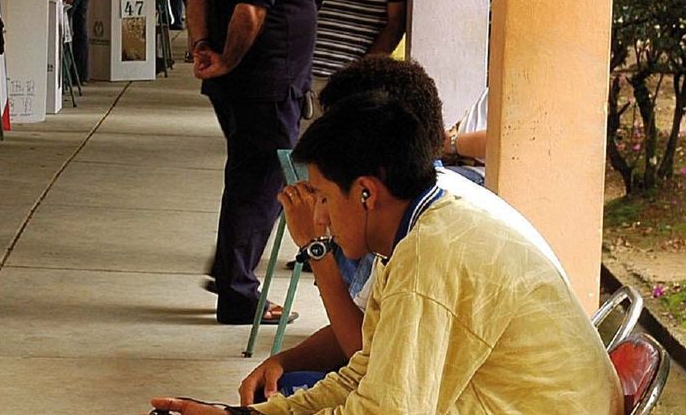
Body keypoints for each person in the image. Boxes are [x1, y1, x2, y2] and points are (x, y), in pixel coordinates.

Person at [151, 93, 623, 415]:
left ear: (365, 193)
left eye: (321, 197)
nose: (317, 218)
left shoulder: (433, 254)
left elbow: (387, 409)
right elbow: (366, 370)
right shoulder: (421, 228)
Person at [243, 56, 568, 401]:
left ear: (367, 185)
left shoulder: (426, 245)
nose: (320, 215)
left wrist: (316, 246)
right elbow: (372, 349)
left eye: (323, 197)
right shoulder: (417, 210)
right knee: (283, 392)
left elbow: (378, 382)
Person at [190, 0, 328, 325]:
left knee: (249, 177)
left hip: (244, 85)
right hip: (266, 84)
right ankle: (238, 292)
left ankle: (232, 271)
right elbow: (251, 10)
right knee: (262, 185)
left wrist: (201, 47)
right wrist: (224, 59)